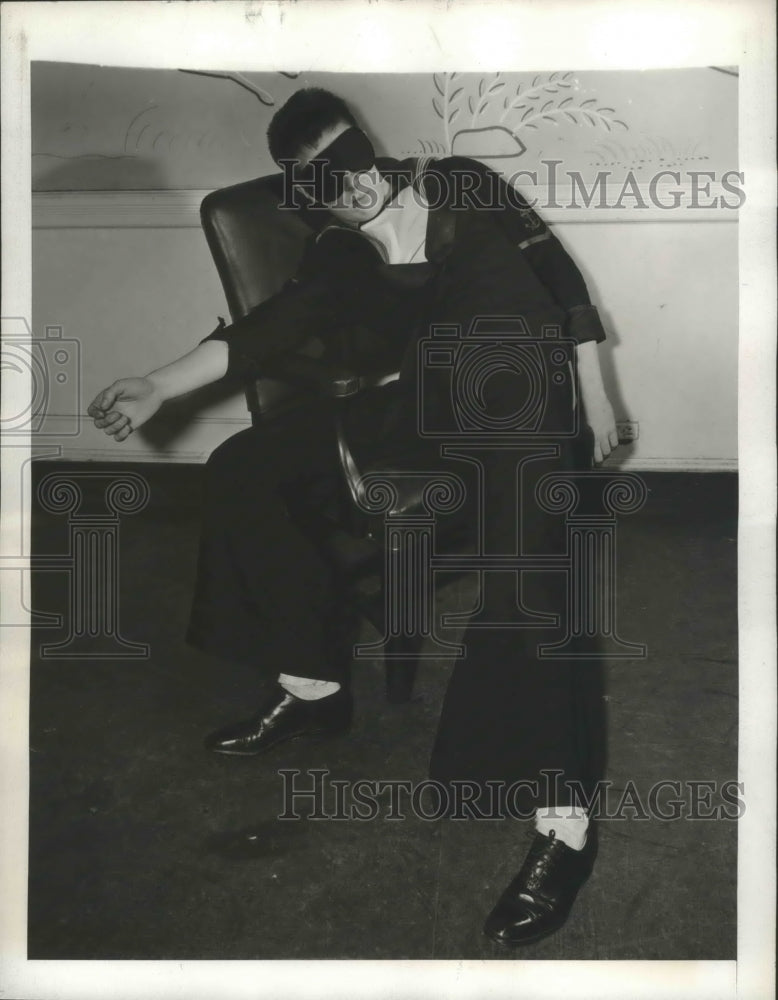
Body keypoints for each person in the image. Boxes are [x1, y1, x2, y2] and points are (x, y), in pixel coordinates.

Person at [88, 88, 620, 947]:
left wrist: (595, 399)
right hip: (424, 409)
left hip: (525, 407)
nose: (350, 190)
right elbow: (266, 330)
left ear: (372, 150)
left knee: (529, 581)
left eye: (352, 166)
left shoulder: (460, 182)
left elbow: (560, 279)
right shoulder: (340, 249)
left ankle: (564, 822)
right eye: (322, 184)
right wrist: (160, 381)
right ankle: (312, 683)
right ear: (306, 191)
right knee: (245, 467)